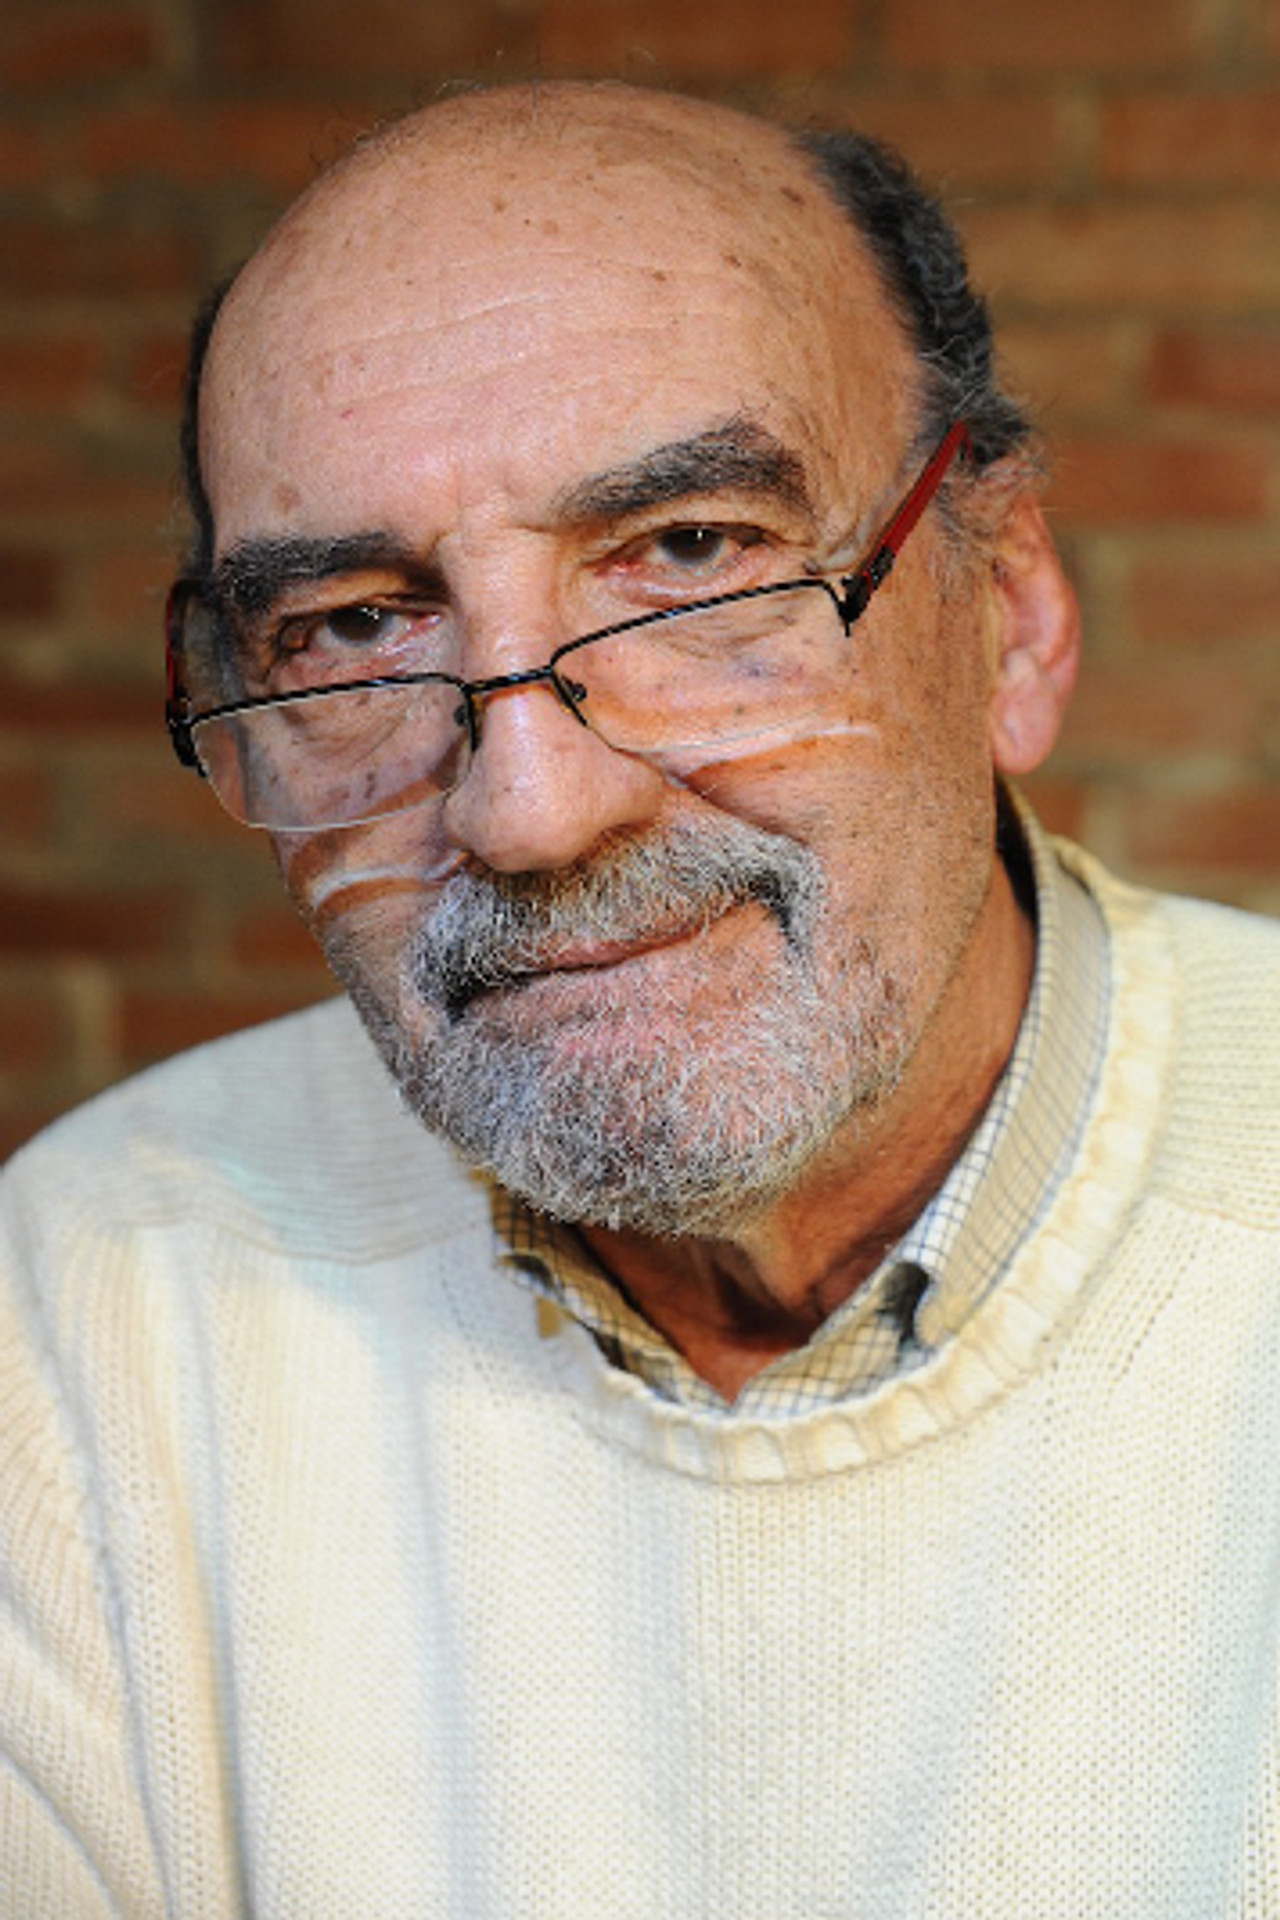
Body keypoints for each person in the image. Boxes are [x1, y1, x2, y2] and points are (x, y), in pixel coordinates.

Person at [2, 79, 1278, 1919]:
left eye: (689, 555)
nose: (528, 809)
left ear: (1007, 610)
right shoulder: (89, 1304)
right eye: (353, 628)